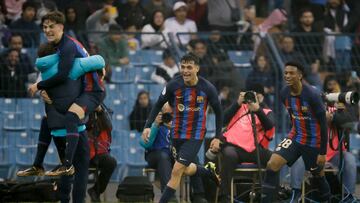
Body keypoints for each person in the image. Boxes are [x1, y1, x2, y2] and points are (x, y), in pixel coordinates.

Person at [27, 11, 104, 203]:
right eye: (45, 27)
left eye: (51, 26)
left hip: (90, 92)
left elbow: (62, 75)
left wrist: (39, 86)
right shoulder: (56, 48)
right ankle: (44, 167)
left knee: (71, 119)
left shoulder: (68, 46)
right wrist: (46, 91)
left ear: (61, 27)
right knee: (52, 123)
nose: (47, 30)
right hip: (74, 96)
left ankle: (60, 170)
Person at [141, 53, 223, 203]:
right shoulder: (173, 85)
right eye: (183, 67)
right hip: (176, 135)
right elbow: (158, 104)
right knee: (184, 169)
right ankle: (206, 171)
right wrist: (148, 126)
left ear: (197, 68)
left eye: (189, 67)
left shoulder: (207, 88)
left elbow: (219, 112)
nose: (185, 71)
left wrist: (218, 137)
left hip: (195, 135)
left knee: (177, 170)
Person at [261, 61, 330, 202]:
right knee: (272, 164)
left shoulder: (312, 95)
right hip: (296, 137)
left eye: (291, 73)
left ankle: (327, 200)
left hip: (313, 141)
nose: (287, 75)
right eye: (286, 73)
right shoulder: (284, 93)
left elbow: (323, 125)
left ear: (300, 75)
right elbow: (293, 115)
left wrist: (322, 153)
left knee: (318, 175)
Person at [289, 76, 358, 202]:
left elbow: (349, 121)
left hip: (334, 154)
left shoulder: (334, 109)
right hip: (310, 154)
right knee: (297, 159)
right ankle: (296, 193)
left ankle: (348, 197)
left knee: (350, 160)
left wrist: (333, 117)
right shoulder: (303, 110)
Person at [218, 84, 275, 203]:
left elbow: (269, 126)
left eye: (256, 95)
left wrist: (258, 110)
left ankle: (271, 196)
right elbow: (223, 119)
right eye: (250, 95)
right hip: (234, 148)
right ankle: (224, 197)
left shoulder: (266, 111)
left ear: (262, 97)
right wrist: (237, 103)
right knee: (229, 155)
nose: (253, 98)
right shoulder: (239, 107)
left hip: (255, 150)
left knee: (275, 159)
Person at [141, 103, 207, 202]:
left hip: (174, 155)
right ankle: (169, 197)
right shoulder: (153, 122)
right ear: (161, 113)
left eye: (172, 114)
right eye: (166, 114)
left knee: (192, 156)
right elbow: (145, 144)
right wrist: (155, 125)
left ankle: (198, 195)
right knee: (163, 156)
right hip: (156, 155)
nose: (169, 117)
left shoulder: (180, 123)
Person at [87, 105, 117, 202]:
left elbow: (109, 126)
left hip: (97, 152)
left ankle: (95, 191)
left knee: (111, 162)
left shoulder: (102, 111)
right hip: (81, 152)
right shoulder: (82, 107)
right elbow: (86, 125)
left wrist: (100, 112)